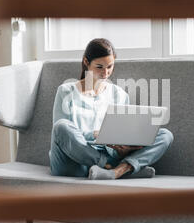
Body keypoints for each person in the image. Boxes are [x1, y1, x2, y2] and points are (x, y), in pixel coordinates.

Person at [49, 38, 173, 180]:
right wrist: (96, 134)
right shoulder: (66, 91)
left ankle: (118, 171)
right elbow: (63, 137)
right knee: (61, 126)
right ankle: (117, 168)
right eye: (99, 67)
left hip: (110, 154)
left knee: (165, 135)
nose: (105, 73)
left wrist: (122, 148)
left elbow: (121, 134)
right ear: (86, 62)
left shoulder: (119, 95)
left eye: (110, 67)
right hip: (73, 161)